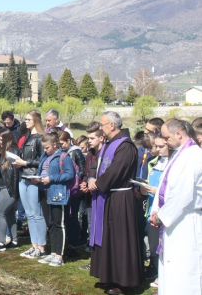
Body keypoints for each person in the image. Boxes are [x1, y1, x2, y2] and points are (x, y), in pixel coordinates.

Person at [87, 111, 142, 294]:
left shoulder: (126, 146)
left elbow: (117, 170)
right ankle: (109, 275)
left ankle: (124, 281)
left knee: (120, 239)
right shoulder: (108, 144)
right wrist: (90, 179)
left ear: (112, 125)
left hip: (120, 199)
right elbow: (96, 164)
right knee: (107, 237)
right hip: (106, 195)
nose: (100, 128)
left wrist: (98, 184)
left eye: (102, 125)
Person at [149, 119, 202, 295]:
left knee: (184, 270)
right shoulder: (179, 154)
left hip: (186, 220)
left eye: (166, 137)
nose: (164, 141)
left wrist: (161, 216)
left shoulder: (193, 156)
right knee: (171, 267)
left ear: (179, 134)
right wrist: (156, 209)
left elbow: (183, 194)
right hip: (174, 219)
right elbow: (165, 185)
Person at [36, 132, 75, 267]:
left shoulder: (64, 157)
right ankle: (53, 252)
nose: (45, 150)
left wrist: (51, 179)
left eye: (47, 148)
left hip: (57, 193)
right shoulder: (44, 156)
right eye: (43, 148)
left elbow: (70, 175)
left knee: (59, 224)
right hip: (44, 192)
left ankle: (60, 254)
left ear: (54, 144)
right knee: (50, 223)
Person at [12, 110, 46, 259]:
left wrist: (25, 163)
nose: (26, 121)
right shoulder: (26, 137)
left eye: (29, 119)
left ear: (36, 121)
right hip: (23, 177)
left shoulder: (40, 138)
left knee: (37, 214)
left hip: (33, 178)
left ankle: (42, 246)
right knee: (29, 215)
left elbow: (43, 160)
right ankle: (34, 245)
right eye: (25, 119)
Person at [142, 133, 169, 287]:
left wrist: (157, 190)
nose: (157, 150)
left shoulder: (174, 163)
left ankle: (163, 276)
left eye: (161, 146)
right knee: (154, 248)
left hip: (165, 212)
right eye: (156, 146)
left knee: (163, 247)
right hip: (152, 210)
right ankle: (158, 272)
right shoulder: (153, 162)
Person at [0, 130, 20, 252]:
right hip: (2, 185)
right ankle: (14, 240)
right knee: (9, 214)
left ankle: (1, 242)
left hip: (9, 187)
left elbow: (11, 171)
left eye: (1, 140)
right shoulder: (2, 152)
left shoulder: (13, 151)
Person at [79, 122, 106, 270]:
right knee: (92, 227)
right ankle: (94, 261)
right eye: (88, 137)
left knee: (101, 229)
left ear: (101, 138)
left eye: (92, 138)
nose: (88, 141)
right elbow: (87, 172)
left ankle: (101, 262)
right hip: (90, 196)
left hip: (101, 196)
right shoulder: (90, 153)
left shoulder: (106, 153)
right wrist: (84, 182)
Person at [59, 131, 86, 249]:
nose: (61, 146)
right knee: (67, 216)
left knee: (73, 215)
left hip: (74, 188)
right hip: (66, 187)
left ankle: (75, 241)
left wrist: (76, 177)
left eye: (62, 143)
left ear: (68, 141)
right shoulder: (63, 152)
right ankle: (70, 239)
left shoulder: (75, 152)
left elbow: (83, 169)